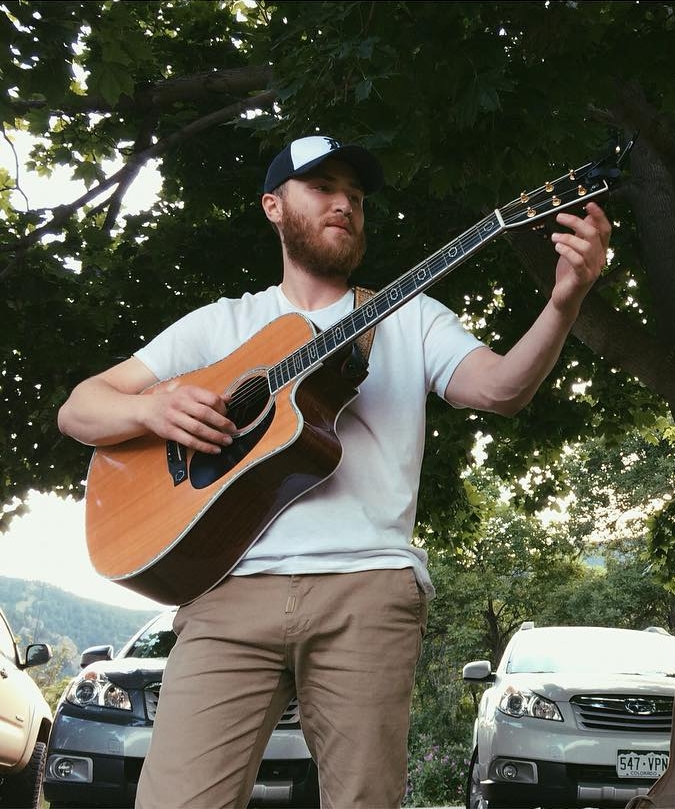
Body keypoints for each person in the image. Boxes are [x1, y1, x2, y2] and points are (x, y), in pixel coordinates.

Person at [56, 133, 611, 808]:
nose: (344, 204)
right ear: (273, 205)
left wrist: (563, 303)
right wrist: (156, 405)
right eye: (322, 189)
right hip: (227, 592)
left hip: (366, 588)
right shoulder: (222, 325)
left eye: (354, 195)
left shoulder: (409, 317)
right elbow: (80, 408)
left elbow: (500, 388)